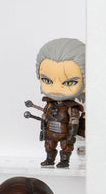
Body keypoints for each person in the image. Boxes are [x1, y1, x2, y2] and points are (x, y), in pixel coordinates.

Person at [24, 37, 86, 169]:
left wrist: (72, 135)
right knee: (49, 145)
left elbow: (74, 121)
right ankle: (49, 159)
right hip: (50, 132)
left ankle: (64, 161)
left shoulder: (72, 107)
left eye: (69, 82)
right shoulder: (49, 104)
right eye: (47, 80)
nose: (56, 88)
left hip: (65, 133)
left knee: (66, 146)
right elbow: (44, 116)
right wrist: (43, 128)